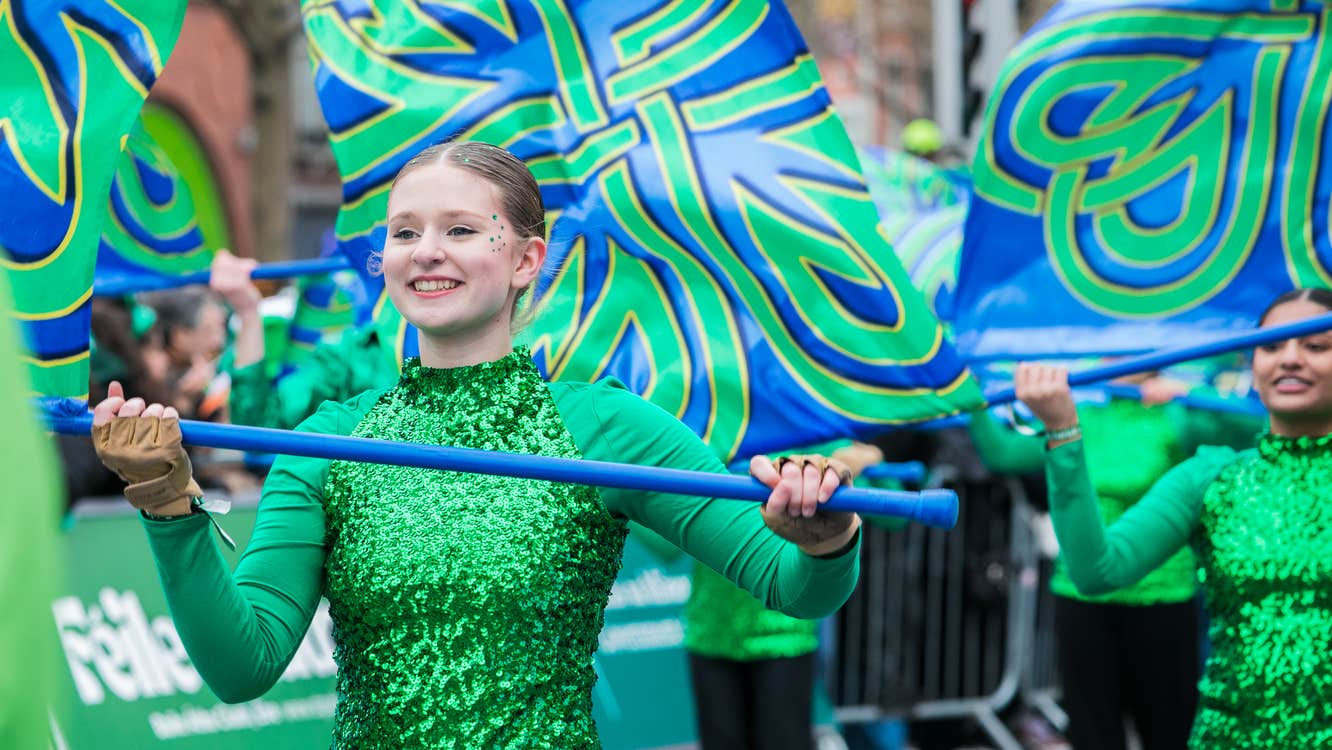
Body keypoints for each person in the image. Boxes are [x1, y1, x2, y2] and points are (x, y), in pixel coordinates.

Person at [88, 141, 865, 748]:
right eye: (404, 233)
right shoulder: (327, 442)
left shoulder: (604, 428)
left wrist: (826, 537)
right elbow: (240, 666)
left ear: (526, 258)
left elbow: (792, 585)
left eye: (461, 229)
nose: (426, 251)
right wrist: (167, 504)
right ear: (383, 261)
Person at [1014, 287, 1332, 748]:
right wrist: (1063, 431)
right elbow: (1098, 570)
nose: (1289, 358)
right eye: (1271, 345)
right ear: (1253, 364)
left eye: (1315, 346)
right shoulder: (1210, 478)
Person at [970, 373, 1260, 750]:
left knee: (1168, 731)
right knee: (1093, 734)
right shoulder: (1079, 415)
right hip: (1081, 596)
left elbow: (1258, 435)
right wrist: (971, 397)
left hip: (1162, 599)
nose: (1117, 353)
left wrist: (1192, 394)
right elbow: (1003, 453)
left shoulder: (1176, 414)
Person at [684, 440, 890, 750]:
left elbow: (896, 513)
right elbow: (664, 546)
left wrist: (872, 460)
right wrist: (631, 499)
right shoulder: (707, 435)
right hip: (711, 633)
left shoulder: (814, 428)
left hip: (785, 637)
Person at [209, 249, 399, 430]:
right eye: (406, 234)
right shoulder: (348, 356)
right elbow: (260, 426)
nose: (423, 254)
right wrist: (248, 312)